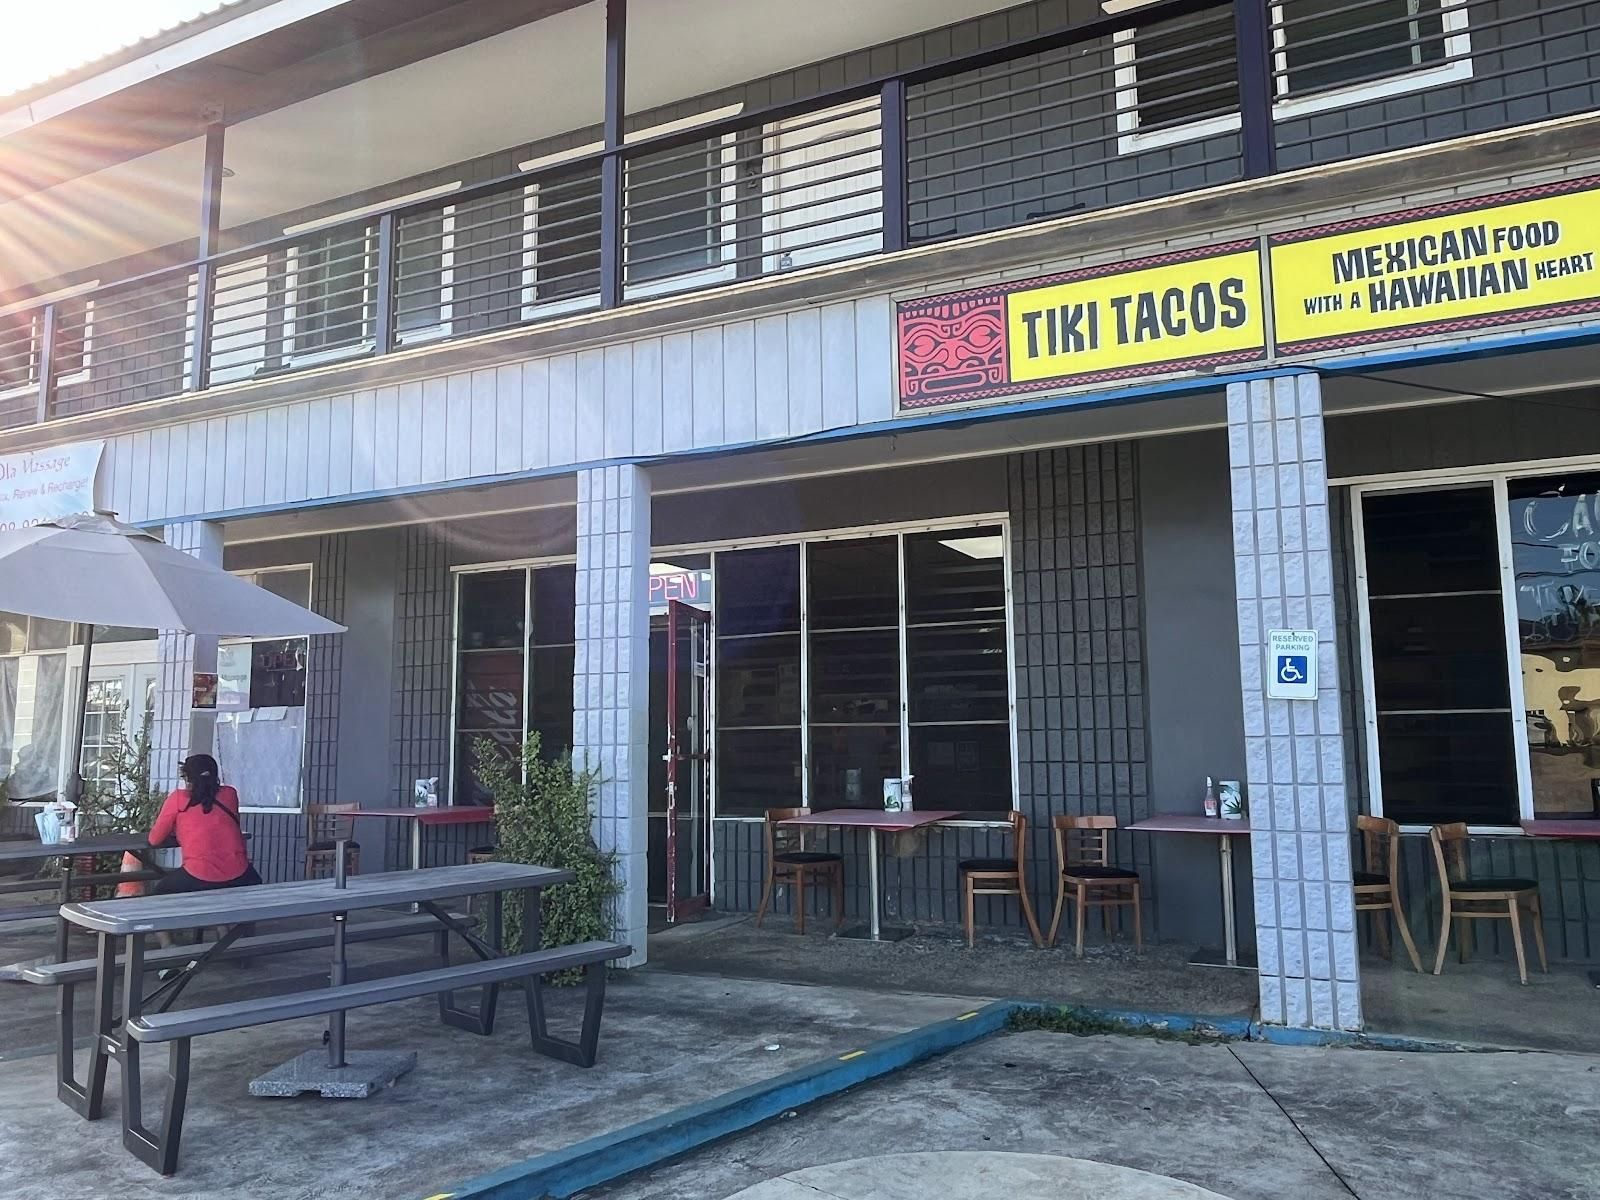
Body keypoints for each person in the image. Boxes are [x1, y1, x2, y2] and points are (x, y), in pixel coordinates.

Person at [148, 753, 261, 895]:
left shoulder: (178, 799)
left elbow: (154, 839)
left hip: (199, 873)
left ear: (188, 778)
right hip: (240, 873)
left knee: (159, 893)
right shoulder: (230, 794)